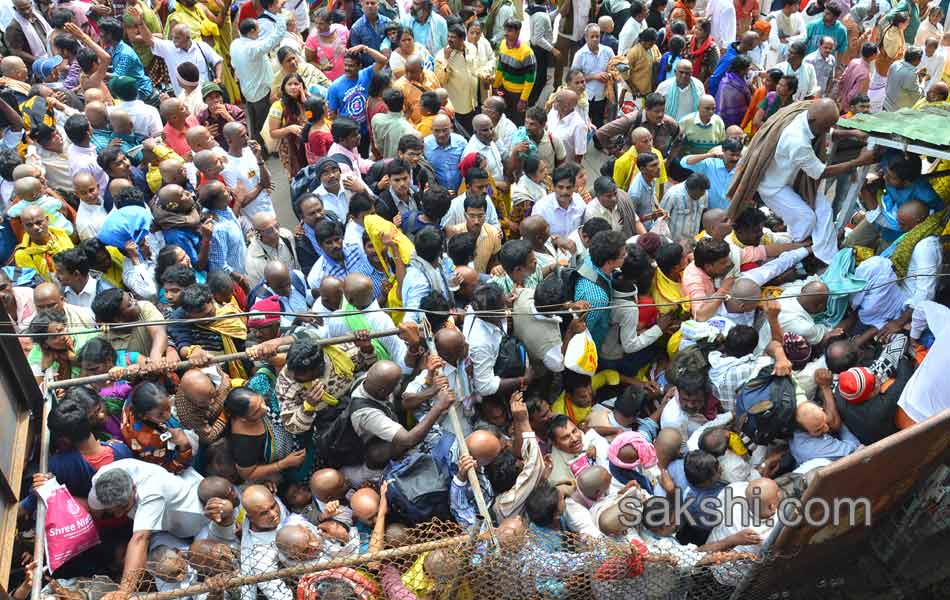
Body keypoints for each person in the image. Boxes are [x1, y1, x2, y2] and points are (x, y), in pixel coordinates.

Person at [734, 98, 874, 265]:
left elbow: (825, 131)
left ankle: (826, 258)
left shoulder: (805, 116)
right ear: (814, 120)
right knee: (806, 218)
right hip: (773, 187)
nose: (828, 130)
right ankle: (799, 252)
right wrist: (858, 162)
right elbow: (820, 172)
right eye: (826, 126)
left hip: (791, 179)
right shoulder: (797, 141)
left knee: (824, 210)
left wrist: (852, 133)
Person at [231, 12, 289, 149]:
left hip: (248, 91)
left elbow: (234, 65)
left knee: (254, 123)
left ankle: (260, 147)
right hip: (261, 92)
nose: (259, 32)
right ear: (251, 31)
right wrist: (279, 16)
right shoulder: (253, 48)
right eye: (258, 29)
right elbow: (276, 38)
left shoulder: (236, 44)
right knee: (265, 124)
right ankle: (267, 150)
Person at [571, 24, 615, 128]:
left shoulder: (607, 51)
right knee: (582, 124)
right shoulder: (580, 55)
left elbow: (615, 68)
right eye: (592, 37)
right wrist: (594, 77)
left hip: (602, 95)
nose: (595, 39)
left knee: (599, 123)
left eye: (597, 36)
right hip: (585, 96)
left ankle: (598, 143)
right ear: (586, 38)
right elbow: (573, 78)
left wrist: (609, 75)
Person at [494, 19, 536, 126]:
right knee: (504, 119)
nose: (506, 33)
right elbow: (500, 68)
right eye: (505, 30)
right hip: (504, 90)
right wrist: (495, 86)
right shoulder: (503, 45)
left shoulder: (526, 52)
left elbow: (530, 79)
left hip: (518, 94)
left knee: (517, 122)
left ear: (517, 32)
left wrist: (523, 99)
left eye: (509, 31)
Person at [838, 42, 878, 112]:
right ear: (873, 55)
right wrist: (848, 107)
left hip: (841, 101)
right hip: (849, 108)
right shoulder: (865, 74)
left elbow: (842, 80)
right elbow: (854, 94)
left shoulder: (853, 61)